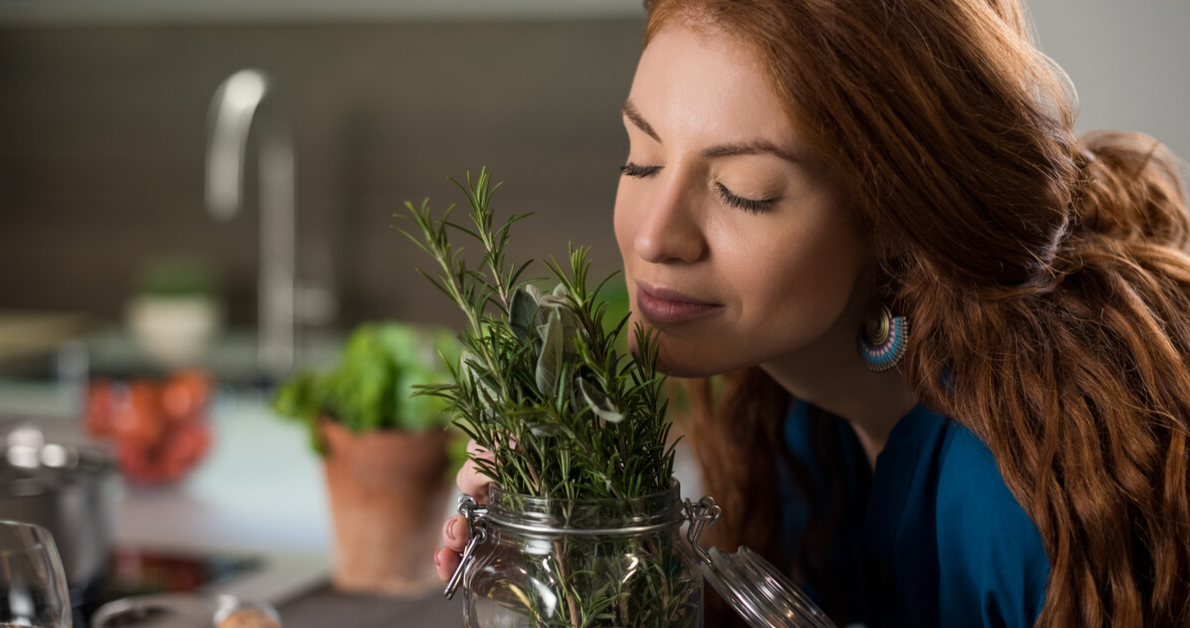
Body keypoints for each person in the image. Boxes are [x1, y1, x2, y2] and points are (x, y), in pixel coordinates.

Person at [437, 1, 1190, 626]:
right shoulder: (793, 412)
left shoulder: (1006, 499)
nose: (652, 235)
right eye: (641, 158)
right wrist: (575, 527)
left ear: (896, 212)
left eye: (745, 190)